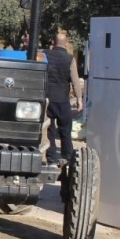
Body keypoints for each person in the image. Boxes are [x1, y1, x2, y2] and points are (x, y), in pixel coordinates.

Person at [44, 32, 83, 165]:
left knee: (49, 130)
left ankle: (51, 156)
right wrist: (79, 99)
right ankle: (68, 157)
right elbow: (75, 81)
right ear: (66, 44)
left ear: (53, 42)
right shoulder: (70, 59)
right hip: (62, 100)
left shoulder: (44, 55)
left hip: (47, 99)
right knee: (65, 130)